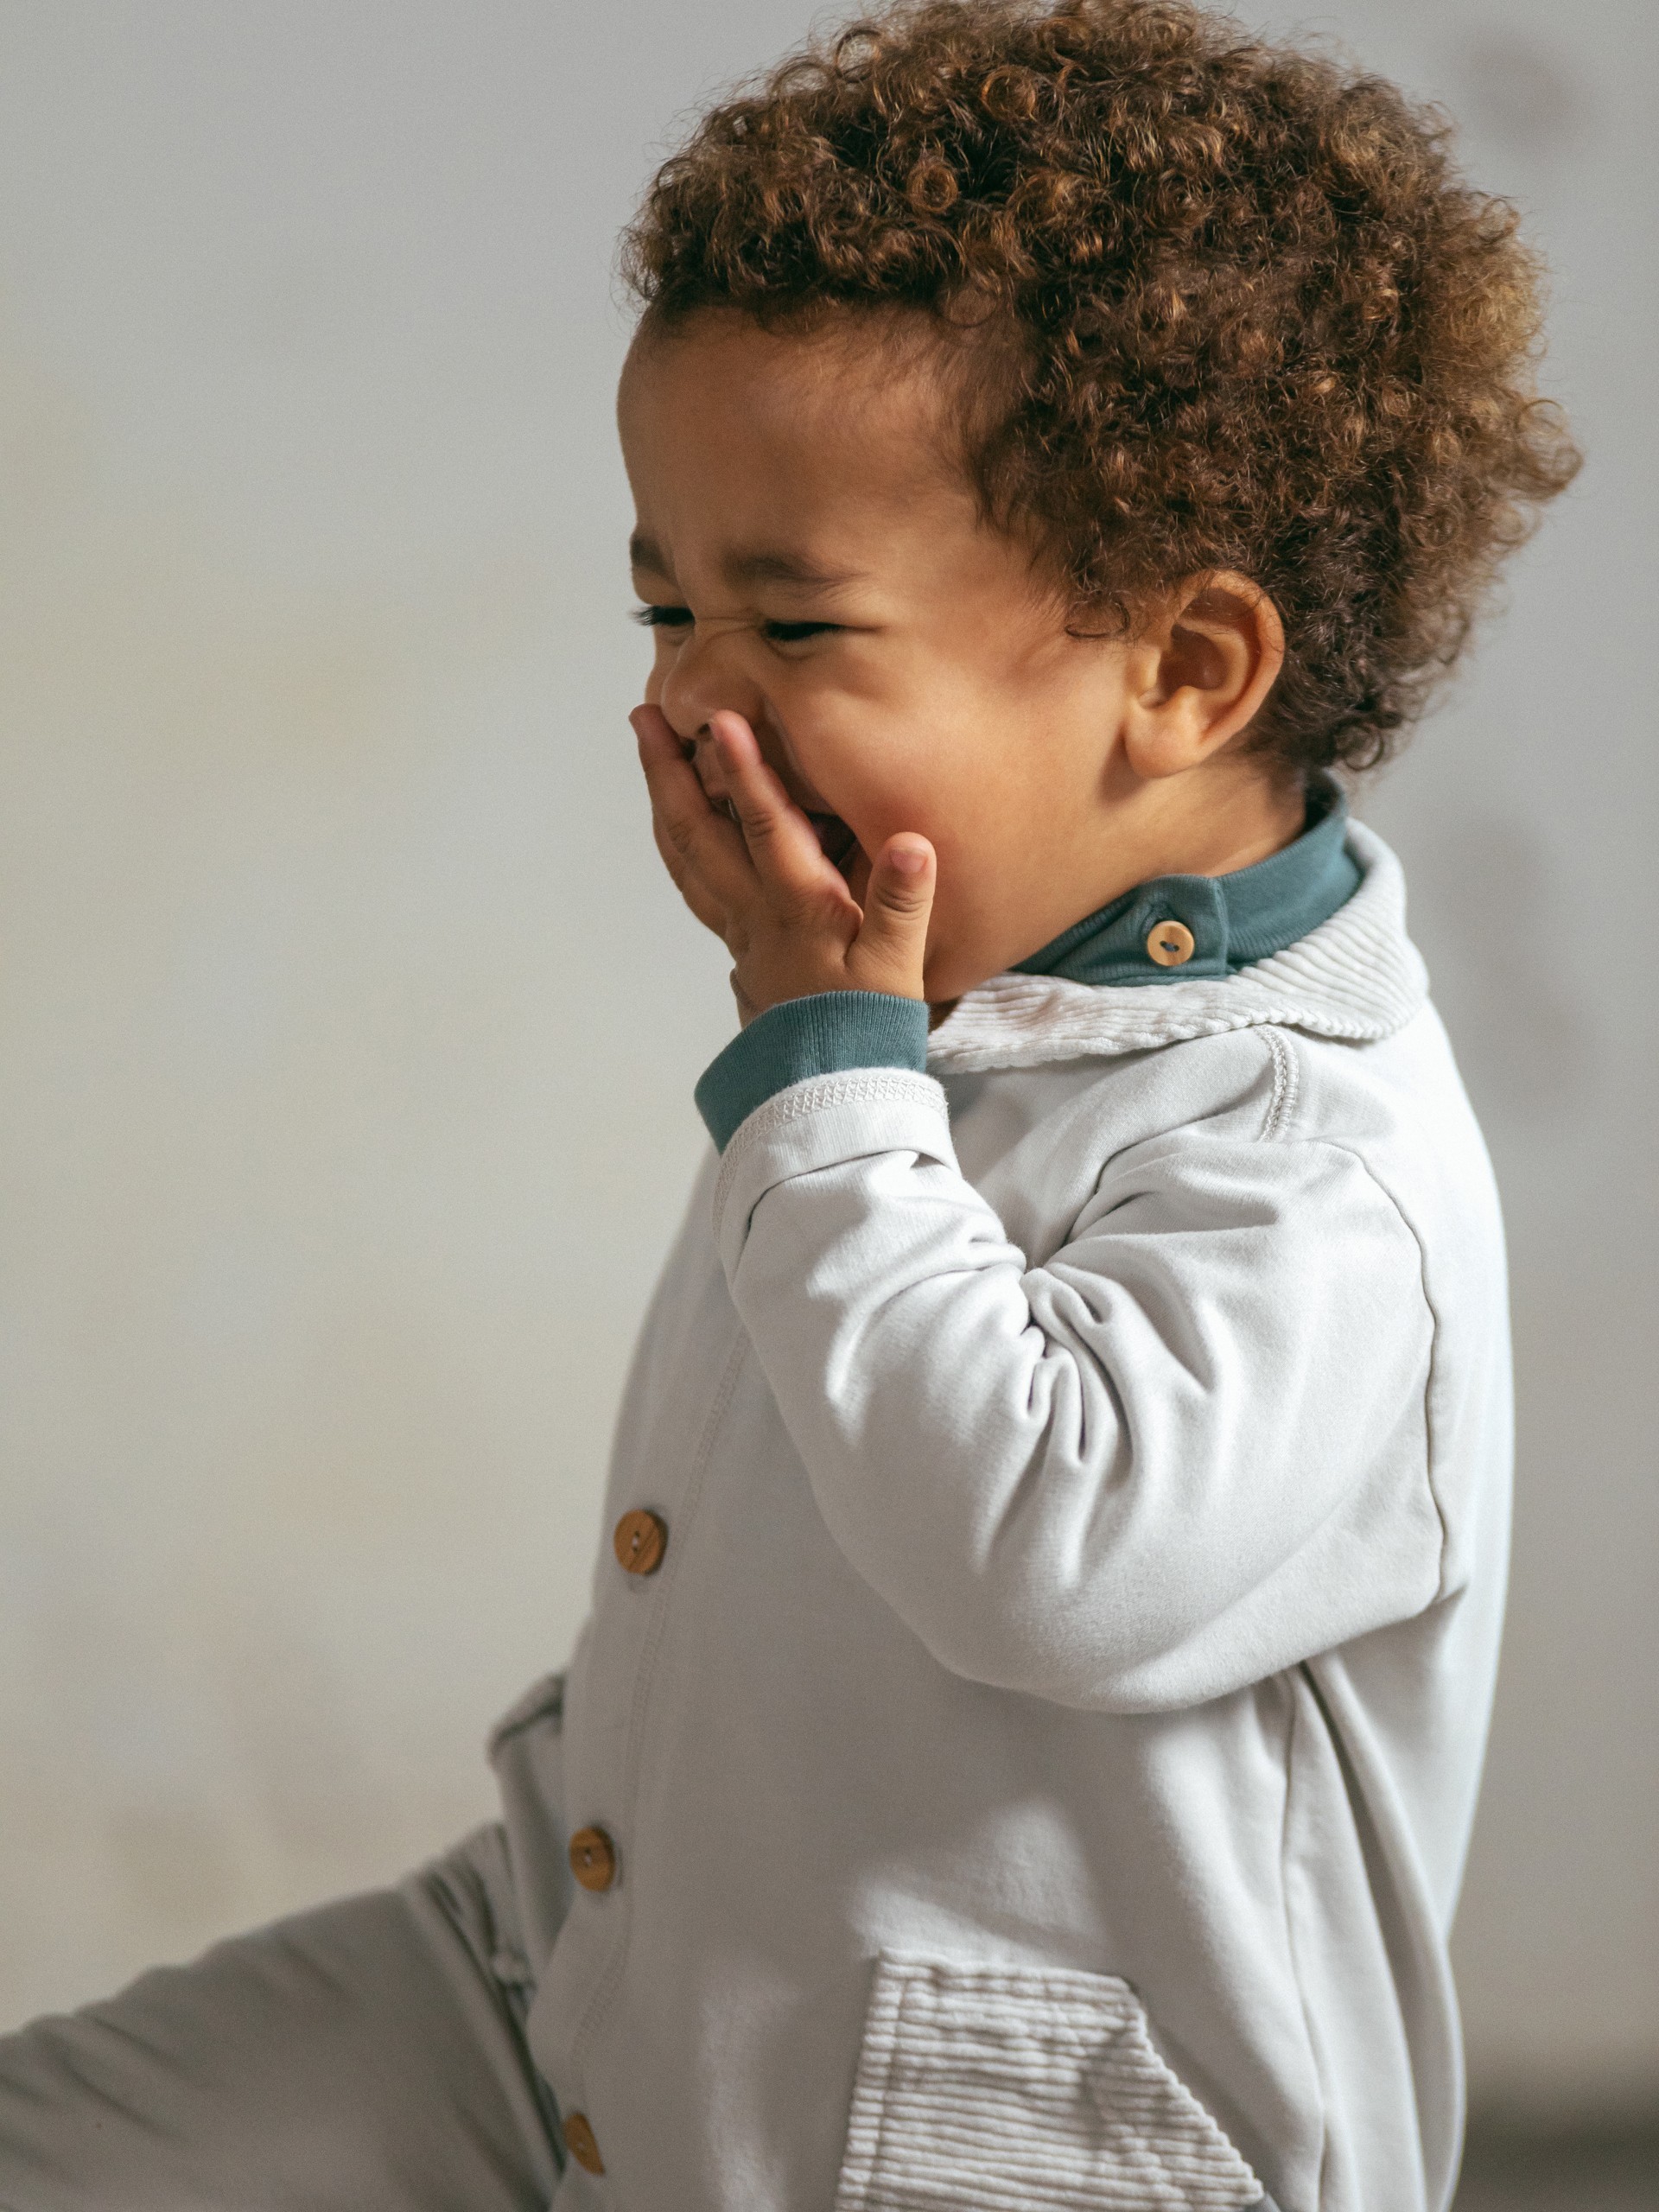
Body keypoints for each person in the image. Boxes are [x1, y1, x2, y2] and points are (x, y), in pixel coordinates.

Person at [0, 3, 1580, 2208]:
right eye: (662, 596)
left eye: (794, 621)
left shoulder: (1321, 1166)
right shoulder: (921, 989)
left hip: (1000, 2127)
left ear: (1186, 673)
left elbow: (1050, 1549)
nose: (680, 695)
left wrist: (829, 1084)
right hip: (578, 1972)